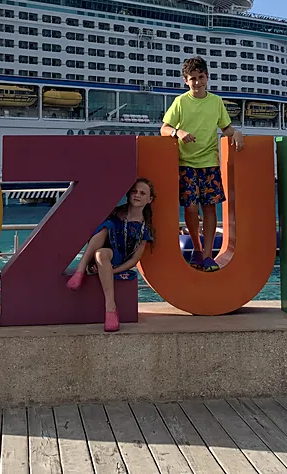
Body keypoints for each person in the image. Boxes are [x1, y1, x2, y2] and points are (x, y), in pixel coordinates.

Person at [159, 56, 244, 271]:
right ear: (185, 81)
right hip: (185, 162)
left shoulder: (216, 102)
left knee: (209, 209)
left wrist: (238, 133)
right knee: (190, 208)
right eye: (192, 79)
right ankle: (197, 249)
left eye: (201, 77)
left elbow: (226, 128)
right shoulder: (181, 102)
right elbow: (164, 128)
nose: (197, 82)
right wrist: (178, 132)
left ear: (207, 77)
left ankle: (207, 256)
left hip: (209, 162)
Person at [65, 179, 155, 332]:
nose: (137, 195)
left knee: (104, 246)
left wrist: (112, 271)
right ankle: (80, 269)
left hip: (121, 259)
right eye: (134, 191)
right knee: (106, 231)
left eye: (142, 193)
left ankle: (110, 308)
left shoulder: (145, 228)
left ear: (150, 199)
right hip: (107, 251)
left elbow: (134, 260)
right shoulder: (117, 213)